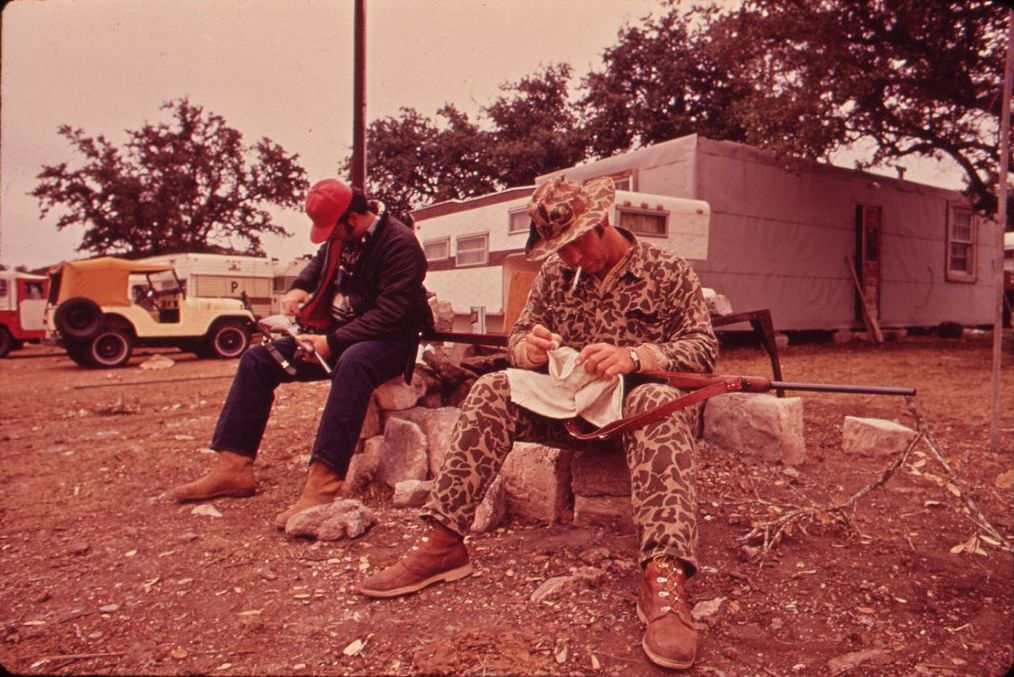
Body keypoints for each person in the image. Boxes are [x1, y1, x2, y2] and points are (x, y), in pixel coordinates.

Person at [357, 176, 718, 671]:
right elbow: (522, 333)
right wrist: (527, 349)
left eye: (577, 243)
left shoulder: (667, 270)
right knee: (493, 388)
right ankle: (443, 541)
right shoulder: (556, 273)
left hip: (639, 414)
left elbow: (703, 349)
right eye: (560, 248)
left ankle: (664, 575)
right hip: (571, 410)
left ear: (603, 222)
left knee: (658, 398)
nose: (572, 257)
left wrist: (636, 356)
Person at [170, 178, 432, 529]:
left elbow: (392, 313)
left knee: (353, 362)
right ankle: (233, 467)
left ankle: (322, 487)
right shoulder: (343, 237)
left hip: (389, 340)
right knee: (257, 360)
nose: (329, 239)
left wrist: (332, 342)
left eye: (332, 230)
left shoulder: (400, 244)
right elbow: (319, 264)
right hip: (341, 335)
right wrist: (298, 289)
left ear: (353, 218)